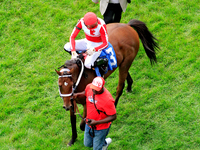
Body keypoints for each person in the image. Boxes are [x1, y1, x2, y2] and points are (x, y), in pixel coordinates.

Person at [74, 77, 117, 150]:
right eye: (93, 88)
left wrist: (96, 122)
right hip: (89, 123)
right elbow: (86, 92)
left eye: (96, 89)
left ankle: (102, 145)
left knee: (96, 148)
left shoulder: (108, 100)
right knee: (87, 144)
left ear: (102, 87)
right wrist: (77, 94)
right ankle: (104, 143)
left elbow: (113, 116)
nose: (94, 90)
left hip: (101, 128)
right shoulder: (89, 87)